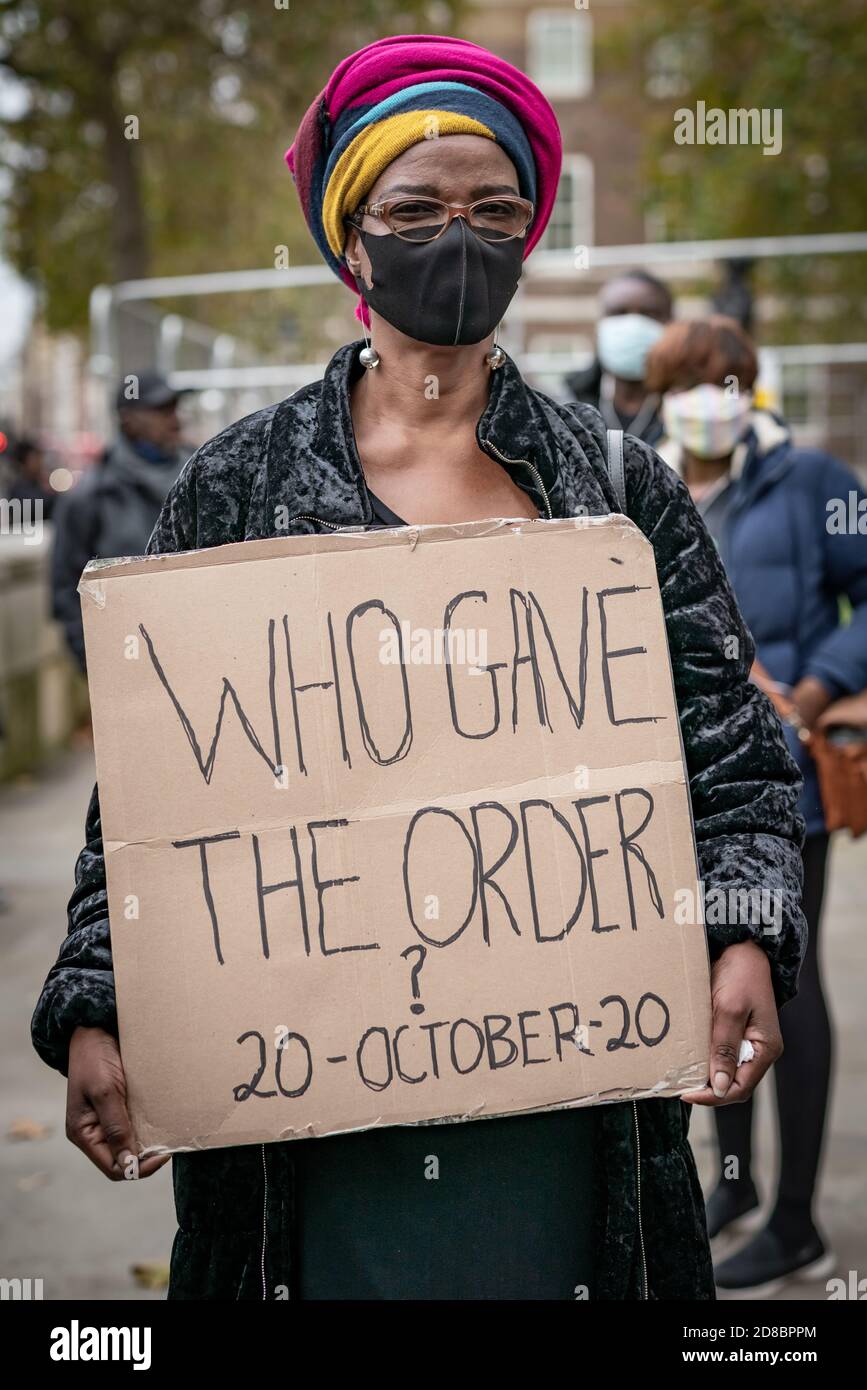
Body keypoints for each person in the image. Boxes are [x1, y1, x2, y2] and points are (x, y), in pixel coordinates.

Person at [32, 35, 807, 1302]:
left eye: (495, 210)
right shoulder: (238, 486)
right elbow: (148, 808)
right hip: (303, 1128)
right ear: (353, 239)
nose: (460, 235)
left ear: (530, 233)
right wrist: (98, 1003)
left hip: (573, 1105)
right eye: (417, 210)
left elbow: (732, 754)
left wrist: (743, 941)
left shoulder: (613, 487)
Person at [645, 315, 867, 1292]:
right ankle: (731, 1186)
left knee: (784, 979)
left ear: (752, 389)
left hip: (783, 777)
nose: (709, 397)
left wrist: (819, 684)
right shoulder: (640, 487)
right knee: (710, 972)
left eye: (728, 379)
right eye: (690, 380)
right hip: (676, 791)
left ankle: (798, 1220)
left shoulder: (811, 483)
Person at [51, 372, 190, 670]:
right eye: (161, 411)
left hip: (202, 657)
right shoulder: (91, 496)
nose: (175, 420)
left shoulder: (204, 476)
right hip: (130, 667)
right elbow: (65, 590)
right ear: (128, 420)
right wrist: (100, 668)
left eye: (175, 409)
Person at [565, 270, 673, 446]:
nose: (633, 325)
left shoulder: (692, 412)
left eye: (649, 314)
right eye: (619, 313)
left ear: (670, 322)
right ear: (599, 323)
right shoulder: (566, 405)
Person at [6, 437, 54, 520]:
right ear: (24, 462)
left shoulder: (38, 483)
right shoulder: (18, 488)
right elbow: (36, 506)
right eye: (35, 458)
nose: (40, 463)